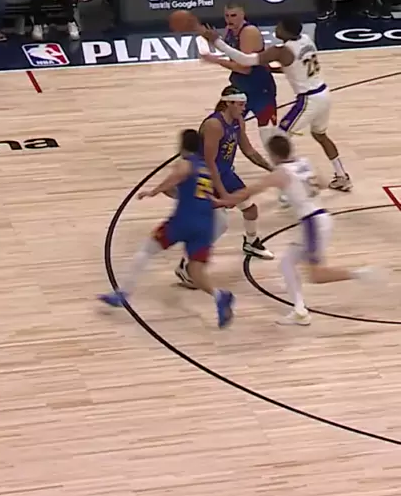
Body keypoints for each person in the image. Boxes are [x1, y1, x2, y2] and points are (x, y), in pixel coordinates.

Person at [219, 133, 373, 326]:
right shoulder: (304, 163)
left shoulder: (281, 173)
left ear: (273, 155)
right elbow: (323, 182)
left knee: (316, 275)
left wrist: (222, 200)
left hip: (312, 223)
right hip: (318, 217)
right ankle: (299, 311)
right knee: (286, 264)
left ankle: (359, 274)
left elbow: (249, 191)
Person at [99, 128, 235, 329]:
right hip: (205, 224)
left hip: (184, 220)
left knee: (147, 250)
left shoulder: (186, 162)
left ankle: (123, 293)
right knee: (195, 271)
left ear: (182, 145)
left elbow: (179, 174)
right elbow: (198, 195)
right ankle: (219, 296)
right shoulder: (205, 168)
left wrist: (153, 191)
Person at [210, 15, 352, 192]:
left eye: (279, 26)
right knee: (320, 136)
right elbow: (295, 67)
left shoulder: (282, 51)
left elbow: (245, 60)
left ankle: (296, 182)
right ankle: (342, 176)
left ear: (286, 32)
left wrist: (217, 42)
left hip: (309, 100)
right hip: (323, 93)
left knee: (278, 139)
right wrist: (273, 69)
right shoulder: (305, 40)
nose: (276, 28)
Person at [175, 85, 273, 289]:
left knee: (251, 209)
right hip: (209, 176)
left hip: (226, 173)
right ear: (228, 103)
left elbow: (248, 150)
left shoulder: (238, 121)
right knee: (218, 226)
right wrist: (224, 193)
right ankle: (185, 265)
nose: (244, 109)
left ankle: (250, 243)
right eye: (240, 105)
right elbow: (210, 162)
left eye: (244, 105)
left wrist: (271, 168)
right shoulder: (214, 125)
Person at [197, 1, 277, 146]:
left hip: (260, 90)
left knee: (268, 137)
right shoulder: (231, 30)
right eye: (227, 16)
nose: (229, 19)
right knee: (220, 124)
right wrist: (214, 41)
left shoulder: (248, 32)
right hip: (240, 86)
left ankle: (279, 159)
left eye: (233, 15)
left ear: (242, 14)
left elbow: (244, 68)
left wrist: (215, 60)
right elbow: (232, 53)